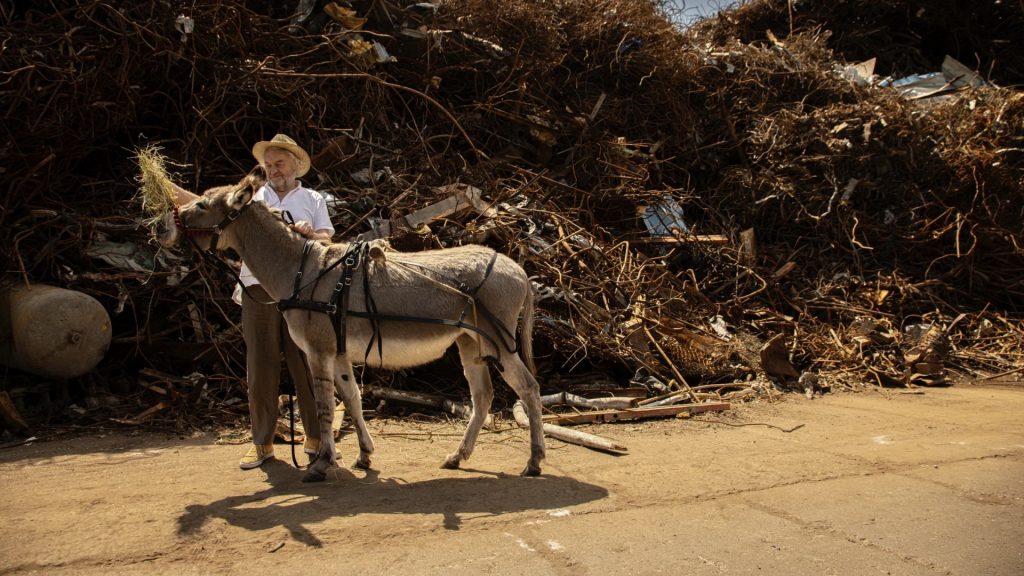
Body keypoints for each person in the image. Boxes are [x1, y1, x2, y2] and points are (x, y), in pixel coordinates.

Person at [171, 134, 334, 470]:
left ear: (294, 165)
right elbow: (208, 206)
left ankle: (317, 438)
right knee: (261, 364)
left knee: (305, 363)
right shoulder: (251, 196)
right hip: (257, 288)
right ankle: (262, 443)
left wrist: (309, 234)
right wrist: (165, 187)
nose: (273, 169)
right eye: (268, 164)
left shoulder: (313, 198)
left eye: (279, 163)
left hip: (301, 290)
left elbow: (327, 239)